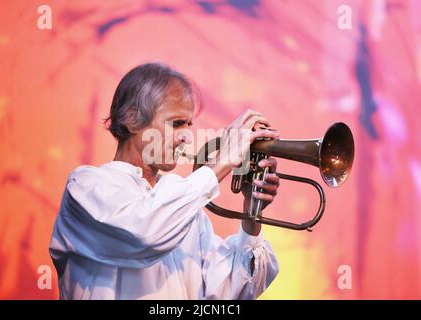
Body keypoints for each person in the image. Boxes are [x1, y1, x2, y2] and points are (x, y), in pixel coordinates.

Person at [49, 62, 281, 300]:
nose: (186, 137)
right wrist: (221, 164)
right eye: (176, 123)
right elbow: (145, 234)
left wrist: (252, 211)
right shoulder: (85, 186)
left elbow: (230, 292)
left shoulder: (184, 208)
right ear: (132, 119)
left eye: (188, 124)